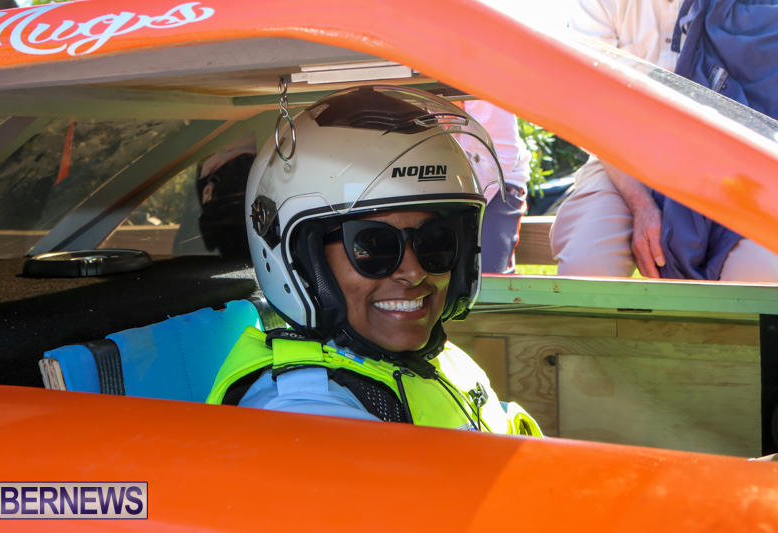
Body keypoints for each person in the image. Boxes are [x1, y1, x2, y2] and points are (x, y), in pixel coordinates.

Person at [205, 85, 541, 435]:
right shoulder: (300, 413)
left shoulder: (443, 362)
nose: (414, 272)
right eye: (373, 246)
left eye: (436, 242)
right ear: (303, 261)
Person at [549, 0, 778, 281]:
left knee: (760, 273)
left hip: (726, 164)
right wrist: (641, 205)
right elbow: (592, 114)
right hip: (621, 161)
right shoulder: (601, 4)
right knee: (587, 265)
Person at [460, 100, 531, 274]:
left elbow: (502, 152)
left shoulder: (478, 87)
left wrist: (459, 206)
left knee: (482, 277)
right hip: (431, 182)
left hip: (495, 182)